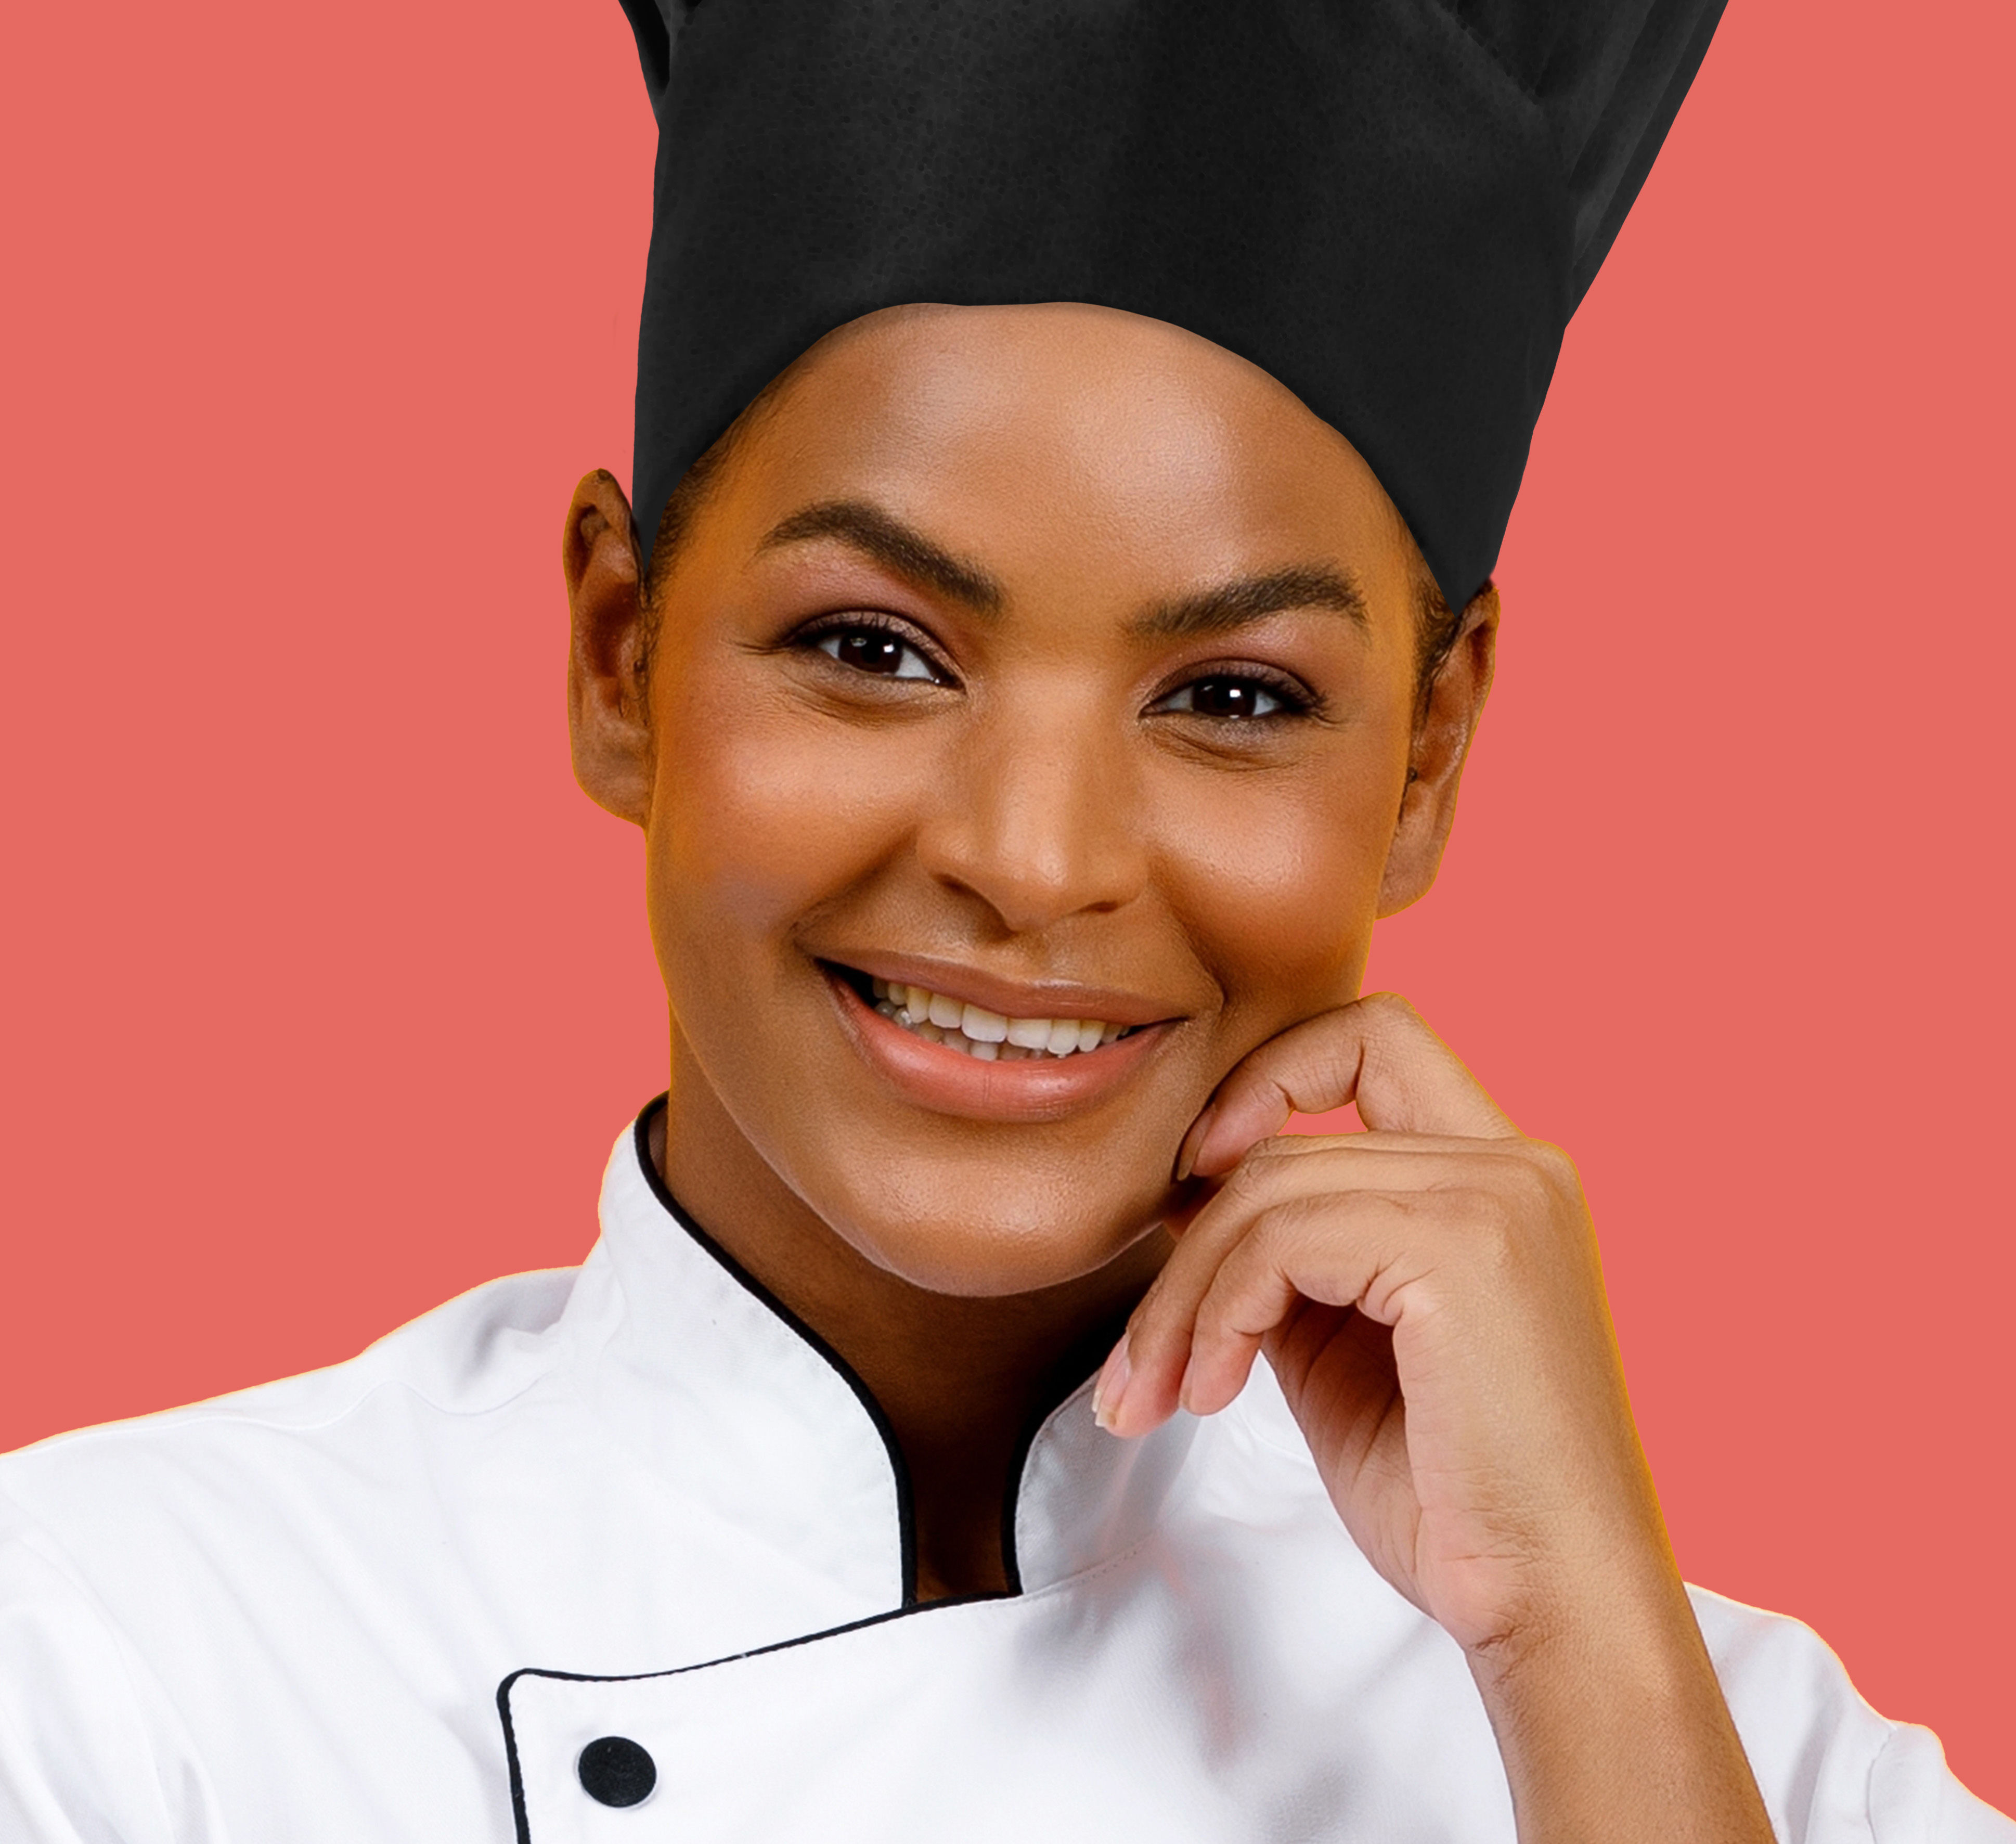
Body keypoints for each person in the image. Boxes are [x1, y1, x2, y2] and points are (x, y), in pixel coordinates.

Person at [0, 2, 2007, 1840]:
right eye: (872, 647)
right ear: (623, 656)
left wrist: (1576, 1640)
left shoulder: (1740, 1751)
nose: (1033, 860)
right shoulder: (119, 1659)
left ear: (1424, 758)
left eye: (1233, 696)